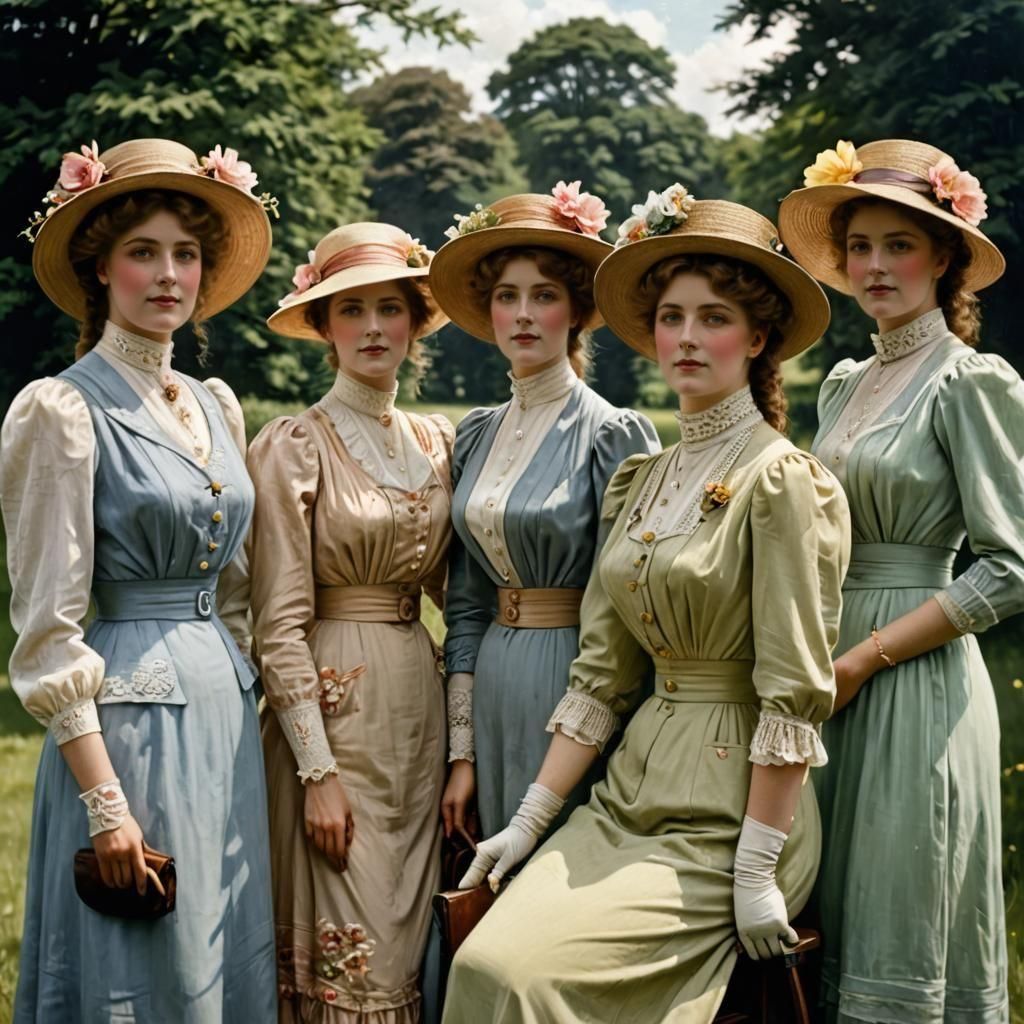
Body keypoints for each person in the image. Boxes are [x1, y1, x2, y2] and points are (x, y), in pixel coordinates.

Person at [442, 191, 851, 1023]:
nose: (689, 339)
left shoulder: (783, 481)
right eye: (672, 318)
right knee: (483, 959)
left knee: (531, 983)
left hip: (731, 816)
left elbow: (792, 692)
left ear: (758, 337)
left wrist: (755, 867)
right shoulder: (643, 479)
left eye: (715, 318)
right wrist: (526, 823)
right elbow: (600, 679)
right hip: (625, 797)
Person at [2, 137, 277, 1020]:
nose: (169, 274)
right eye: (143, 252)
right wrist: (105, 801)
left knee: (214, 947)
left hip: (224, 719)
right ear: (100, 269)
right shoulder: (64, 409)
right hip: (129, 728)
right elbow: (48, 627)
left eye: (186, 254)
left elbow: (235, 588)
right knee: (140, 953)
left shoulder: (214, 403)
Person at [779, 137, 1023, 1024]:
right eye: (861, 247)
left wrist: (868, 658)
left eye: (900, 244)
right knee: (824, 910)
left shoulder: (970, 383)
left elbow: (1013, 566)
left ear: (945, 257)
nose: (876, 265)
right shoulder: (845, 386)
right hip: (828, 664)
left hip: (913, 675)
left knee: (899, 911)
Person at [248, 223, 453, 1022]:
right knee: (350, 943)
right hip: (332, 724)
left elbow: (456, 590)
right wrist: (317, 774)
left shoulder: (435, 442)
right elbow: (278, 622)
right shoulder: (295, 445)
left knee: (413, 933)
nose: (373, 328)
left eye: (390, 309)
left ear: (412, 323)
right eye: (352, 310)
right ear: (325, 328)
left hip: (418, 712)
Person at [428, 182, 660, 849]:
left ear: (577, 312)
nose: (523, 315)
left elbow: (627, 604)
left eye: (544, 295)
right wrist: (462, 750)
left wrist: (598, 704)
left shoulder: (613, 433)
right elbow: (465, 602)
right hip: (493, 677)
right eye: (508, 297)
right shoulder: (475, 432)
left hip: (575, 681)